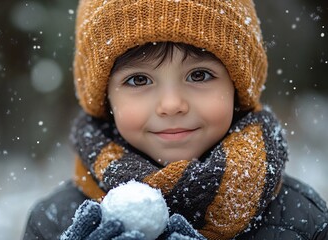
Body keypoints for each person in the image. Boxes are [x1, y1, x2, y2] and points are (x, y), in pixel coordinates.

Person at [23, 0, 328, 239]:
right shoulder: (56, 220)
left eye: (199, 75)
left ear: (237, 88)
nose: (171, 105)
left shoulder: (300, 218)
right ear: (106, 100)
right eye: (139, 80)